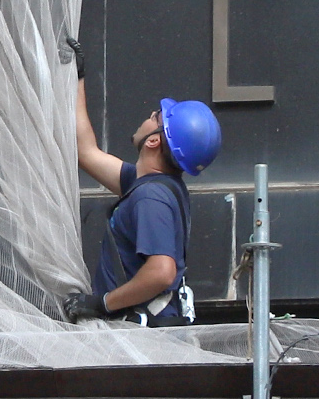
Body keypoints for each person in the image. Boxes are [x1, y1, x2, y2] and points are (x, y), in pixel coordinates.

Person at [64, 80, 221, 325]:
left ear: (153, 141)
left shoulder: (150, 197)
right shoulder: (150, 185)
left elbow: (161, 272)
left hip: (139, 340)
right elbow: (85, 152)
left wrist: (102, 304)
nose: (149, 116)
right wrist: (78, 79)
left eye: (156, 117)